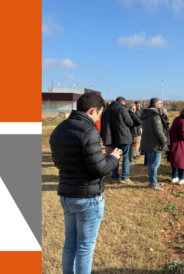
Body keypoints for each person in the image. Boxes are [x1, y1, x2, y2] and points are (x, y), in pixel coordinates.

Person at [50, 92, 121, 274]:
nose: (99, 118)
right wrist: (114, 158)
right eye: (99, 114)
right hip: (87, 198)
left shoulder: (60, 128)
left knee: (70, 244)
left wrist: (98, 157)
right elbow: (99, 169)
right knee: (85, 248)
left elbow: (62, 162)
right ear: (92, 110)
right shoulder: (88, 131)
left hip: (67, 196)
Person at [100, 96, 134, 183]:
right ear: (122, 102)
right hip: (123, 137)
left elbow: (103, 124)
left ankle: (115, 176)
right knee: (126, 156)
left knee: (114, 156)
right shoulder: (122, 109)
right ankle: (125, 177)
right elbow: (129, 122)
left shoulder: (106, 110)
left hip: (112, 137)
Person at [141, 98, 169, 191]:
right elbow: (158, 131)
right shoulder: (155, 116)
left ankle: (151, 179)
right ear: (156, 105)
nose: (162, 105)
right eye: (160, 103)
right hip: (155, 144)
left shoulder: (147, 114)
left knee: (150, 163)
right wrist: (165, 141)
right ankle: (153, 183)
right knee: (155, 165)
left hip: (149, 142)